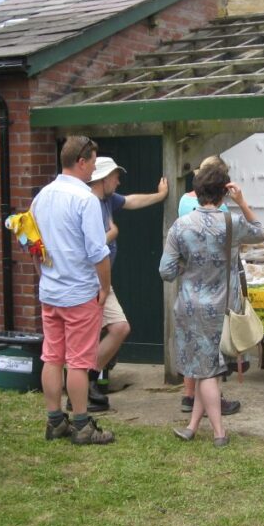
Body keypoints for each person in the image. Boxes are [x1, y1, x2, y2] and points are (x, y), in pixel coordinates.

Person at [160, 166, 264, 446]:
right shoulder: (232, 222)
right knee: (208, 370)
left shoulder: (180, 225)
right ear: (223, 192)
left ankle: (200, 428)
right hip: (222, 307)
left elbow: (166, 271)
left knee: (205, 368)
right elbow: (259, 232)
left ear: (197, 191)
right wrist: (241, 201)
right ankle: (214, 431)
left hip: (189, 306)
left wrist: (188, 264)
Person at [32, 135, 114, 445]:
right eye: (93, 161)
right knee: (80, 361)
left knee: (52, 357)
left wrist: (44, 276)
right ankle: (81, 425)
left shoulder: (41, 196)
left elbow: (33, 246)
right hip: (80, 291)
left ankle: (55, 421)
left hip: (50, 290)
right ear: (81, 161)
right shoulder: (85, 199)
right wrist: (104, 288)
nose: (95, 166)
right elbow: (98, 252)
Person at [87, 156, 168, 406]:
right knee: (90, 335)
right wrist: (113, 232)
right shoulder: (87, 203)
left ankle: (86, 376)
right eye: (115, 175)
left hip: (103, 282)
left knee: (120, 328)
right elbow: (90, 244)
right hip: (88, 283)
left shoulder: (108, 200)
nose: (119, 180)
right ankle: (83, 385)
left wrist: (159, 196)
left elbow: (131, 200)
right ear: (102, 178)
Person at [176, 155, 241, 417]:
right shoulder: (223, 212)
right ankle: (216, 403)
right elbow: (235, 241)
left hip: (190, 285)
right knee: (213, 349)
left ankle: (189, 396)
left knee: (193, 344)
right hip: (216, 286)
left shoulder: (183, 203)